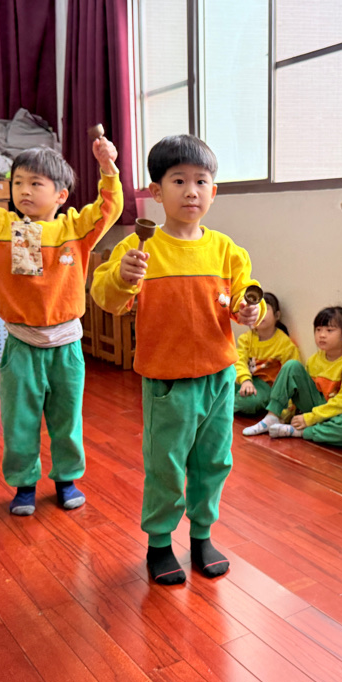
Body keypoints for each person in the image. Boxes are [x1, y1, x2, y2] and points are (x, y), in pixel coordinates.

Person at [90, 134, 262, 585]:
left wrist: (250, 309)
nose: (191, 191)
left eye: (201, 181)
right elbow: (106, 298)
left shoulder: (226, 250)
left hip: (219, 377)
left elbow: (244, 296)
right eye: (179, 180)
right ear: (155, 191)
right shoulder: (139, 248)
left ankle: (202, 535)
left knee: (214, 461)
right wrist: (123, 277)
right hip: (167, 380)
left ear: (213, 192)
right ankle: (160, 543)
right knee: (165, 465)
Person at [0, 119, 122, 517]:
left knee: (66, 419)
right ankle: (24, 484)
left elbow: (109, 208)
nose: (24, 190)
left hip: (67, 347)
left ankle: (66, 479)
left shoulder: (75, 229)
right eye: (18, 182)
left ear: (61, 195)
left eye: (35, 183)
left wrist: (108, 168)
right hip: (21, 344)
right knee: (19, 420)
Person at [242, 306, 342, 449]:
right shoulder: (314, 360)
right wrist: (286, 416)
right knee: (291, 366)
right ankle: (272, 417)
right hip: (316, 406)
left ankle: (300, 432)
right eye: (318, 330)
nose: (322, 335)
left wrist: (309, 419)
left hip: (339, 413)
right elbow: (300, 392)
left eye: (329, 330)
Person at [234, 291, 301, 415]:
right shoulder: (246, 338)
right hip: (245, 380)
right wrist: (245, 380)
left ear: (277, 315)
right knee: (220, 381)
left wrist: (286, 410)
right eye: (256, 309)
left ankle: (221, 407)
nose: (260, 313)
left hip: (267, 387)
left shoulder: (285, 344)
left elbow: (292, 378)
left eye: (265, 308)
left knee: (249, 402)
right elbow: (239, 361)